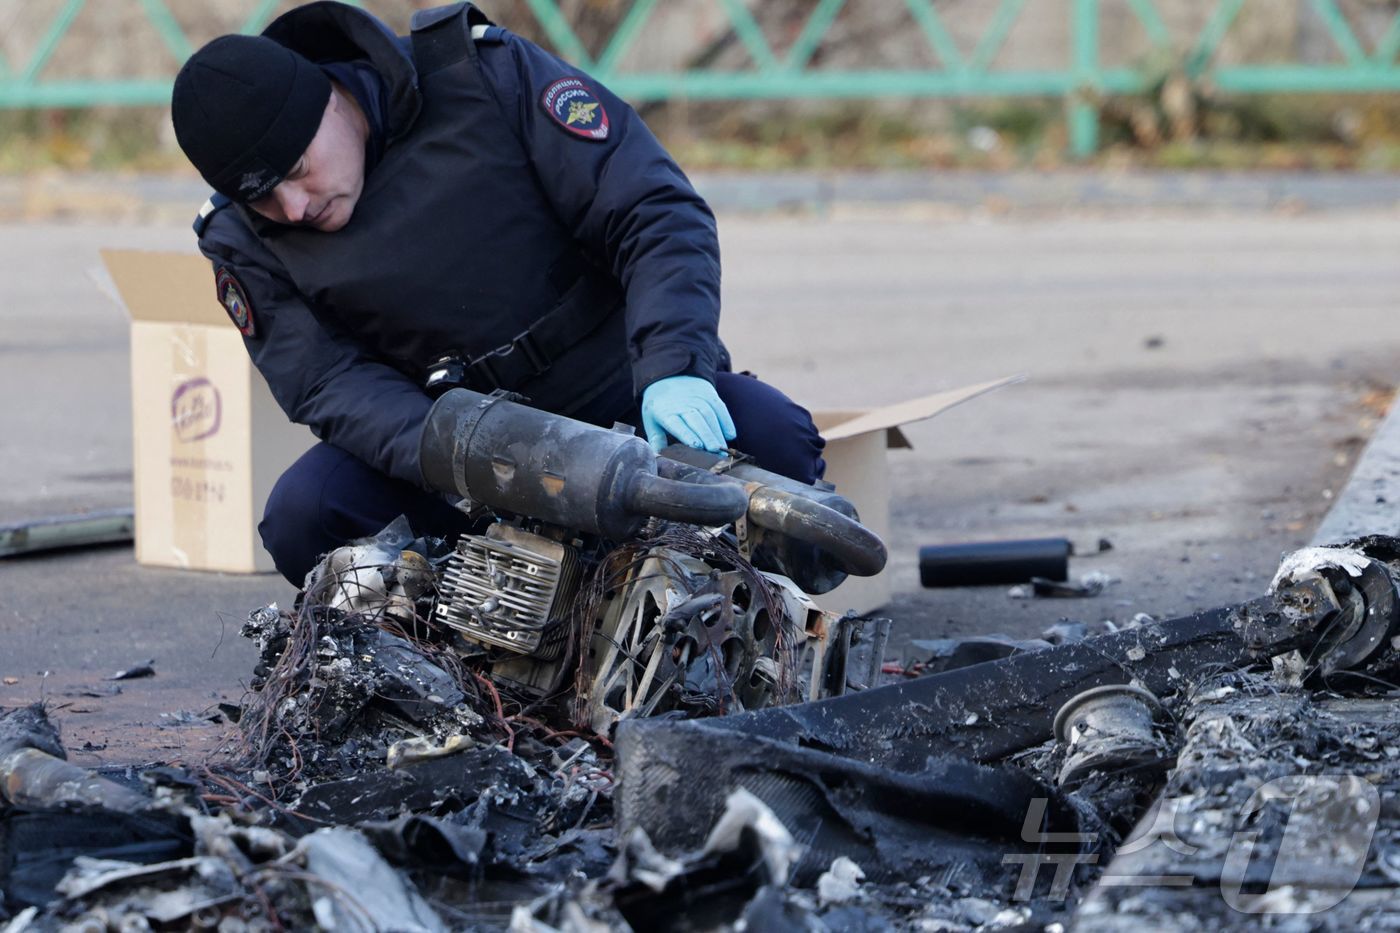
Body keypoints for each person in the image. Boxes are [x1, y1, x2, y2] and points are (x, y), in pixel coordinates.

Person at [171, 1, 825, 585]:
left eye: (297, 170)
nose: (293, 207)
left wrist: (673, 367)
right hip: (452, 450)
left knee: (780, 443)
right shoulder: (240, 237)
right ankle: (459, 640)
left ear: (331, 98)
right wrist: (459, 449)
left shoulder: (479, 76)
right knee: (305, 515)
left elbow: (652, 211)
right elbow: (326, 380)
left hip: (619, 393)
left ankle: (715, 615)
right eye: (264, 198)